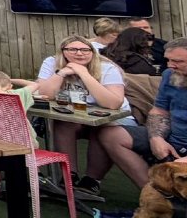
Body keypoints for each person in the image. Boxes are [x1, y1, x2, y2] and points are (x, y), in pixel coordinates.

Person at [35, 35, 128, 200]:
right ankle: (68, 176)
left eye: (85, 50)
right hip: (74, 116)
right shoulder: (52, 62)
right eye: (72, 49)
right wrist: (62, 73)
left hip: (111, 118)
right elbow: (43, 94)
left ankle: (91, 181)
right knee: (64, 123)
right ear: (62, 52)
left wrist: (84, 74)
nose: (80, 53)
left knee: (102, 129)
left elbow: (113, 103)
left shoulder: (106, 68)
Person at [100, 37, 187, 190]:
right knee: (111, 135)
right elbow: (160, 110)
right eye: (168, 60)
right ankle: (154, 196)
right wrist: (156, 138)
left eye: (178, 61)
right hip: (174, 138)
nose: (170, 65)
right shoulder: (170, 75)